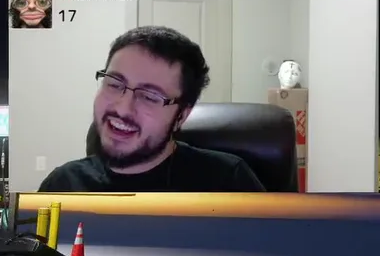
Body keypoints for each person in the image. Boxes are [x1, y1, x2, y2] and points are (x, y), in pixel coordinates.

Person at [39, 26, 265, 193]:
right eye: (114, 84)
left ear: (181, 116)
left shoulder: (229, 182)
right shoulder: (62, 185)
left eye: (149, 97)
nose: (123, 109)